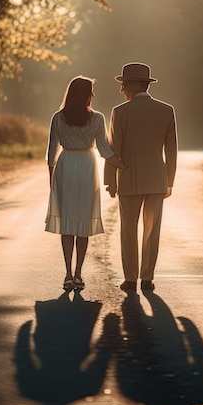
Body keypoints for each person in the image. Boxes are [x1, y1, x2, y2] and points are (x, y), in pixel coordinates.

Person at [45, 76, 124, 292]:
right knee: (83, 223)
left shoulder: (58, 117)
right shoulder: (97, 118)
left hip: (66, 166)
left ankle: (68, 274)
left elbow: (52, 151)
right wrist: (123, 165)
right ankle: (79, 273)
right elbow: (105, 150)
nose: (94, 95)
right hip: (87, 168)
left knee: (67, 224)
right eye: (91, 91)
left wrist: (52, 178)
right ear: (86, 95)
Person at [104, 62, 177, 293]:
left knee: (128, 231)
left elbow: (113, 150)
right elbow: (172, 150)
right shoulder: (166, 111)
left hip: (128, 179)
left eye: (124, 84)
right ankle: (147, 278)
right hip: (157, 180)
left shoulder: (119, 112)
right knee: (151, 230)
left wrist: (110, 180)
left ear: (136, 84)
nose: (121, 89)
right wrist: (170, 180)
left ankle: (131, 279)